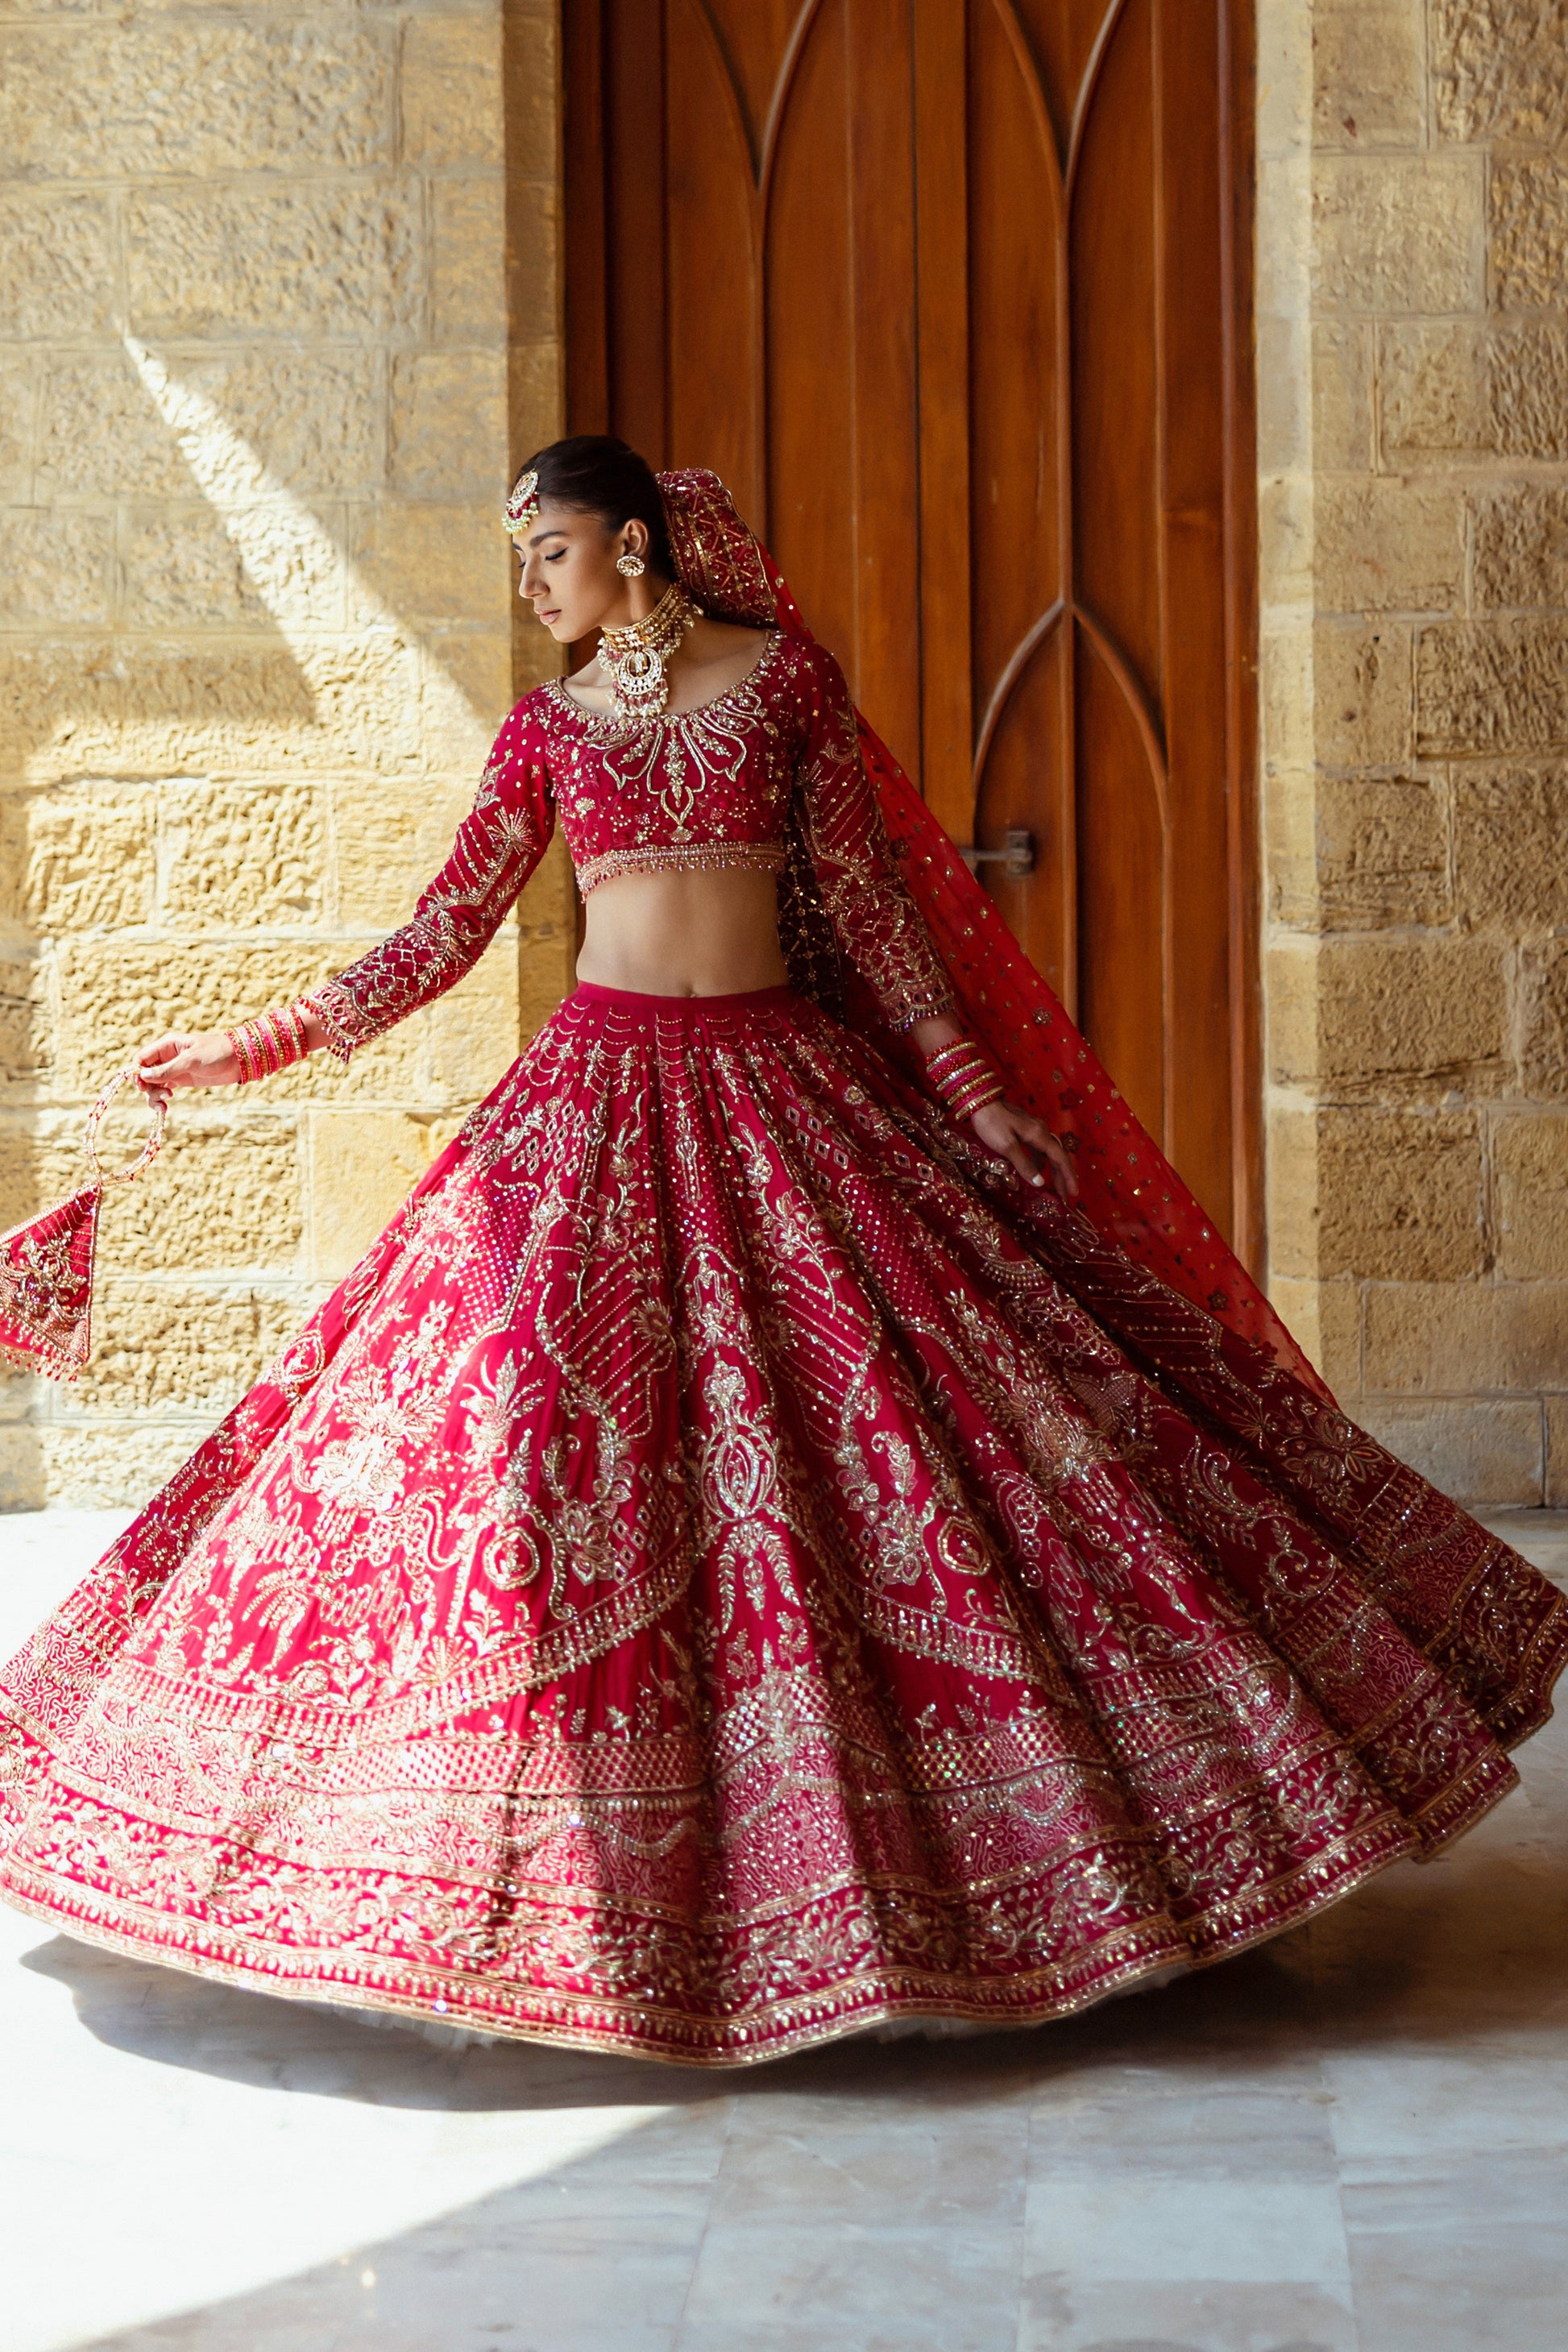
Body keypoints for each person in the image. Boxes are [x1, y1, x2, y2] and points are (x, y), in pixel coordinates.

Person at [1, 441, 1562, 2068]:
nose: (529, 585)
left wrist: (971, 1091)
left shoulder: (782, 686)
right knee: (507, 1457)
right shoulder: (546, 730)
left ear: (632, 543)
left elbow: (870, 916)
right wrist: (248, 1045)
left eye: (548, 551)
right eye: (519, 557)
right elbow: (443, 931)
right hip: (593, 1106)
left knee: (927, 1432)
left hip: (779, 1086)